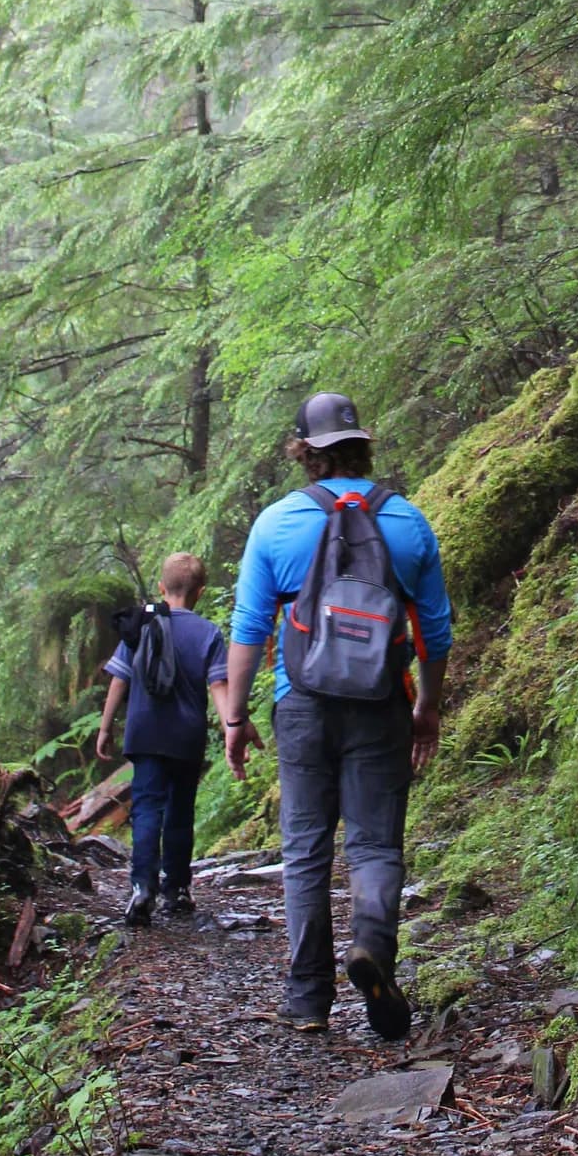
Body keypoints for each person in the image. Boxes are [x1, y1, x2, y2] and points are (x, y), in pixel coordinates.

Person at [222, 393, 453, 1040]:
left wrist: (236, 719)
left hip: (302, 704)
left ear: (303, 452)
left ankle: (307, 1000)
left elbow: (248, 631)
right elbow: (435, 631)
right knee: (376, 843)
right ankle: (373, 948)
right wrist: (426, 707)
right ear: (363, 445)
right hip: (381, 703)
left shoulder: (276, 525)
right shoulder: (407, 521)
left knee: (305, 851)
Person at [97, 551, 230, 927]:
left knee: (147, 809)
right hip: (186, 737)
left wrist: (106, 728)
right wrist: (231, 727)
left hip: (144, 731)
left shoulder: (141, 624)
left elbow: (119, 679)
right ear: (200, 592)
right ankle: (177, 889)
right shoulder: (208, 633)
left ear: (161, 587)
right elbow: (219, 684)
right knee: (180, 812)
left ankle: (142, 886)